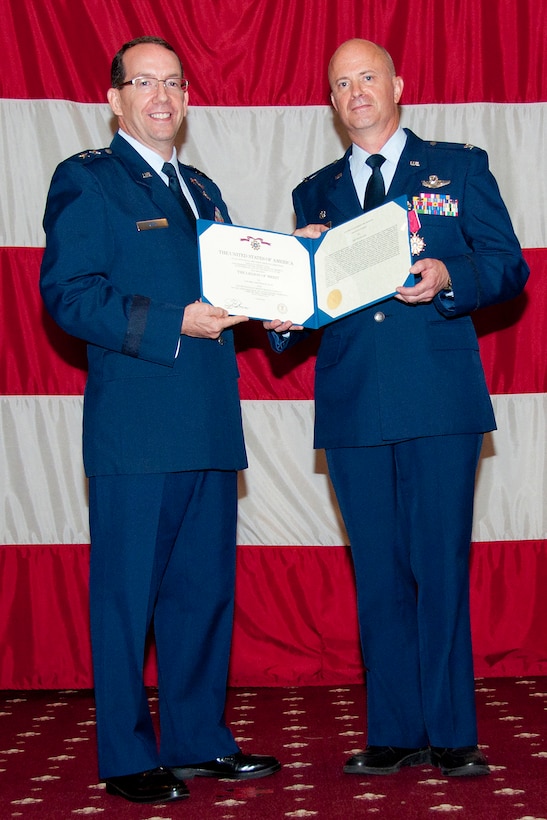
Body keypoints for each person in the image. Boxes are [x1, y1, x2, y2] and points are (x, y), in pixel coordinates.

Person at [266, 39, 529, 778]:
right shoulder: (313, 191)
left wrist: (450, 272)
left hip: (438, 400)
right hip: (352, 406)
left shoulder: (458, 166)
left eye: (367, 77)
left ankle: (451, 733)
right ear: (330, 101)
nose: (355, 91)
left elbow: (507, 265)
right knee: (376, 571)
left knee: (438, 567)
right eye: (340, 83)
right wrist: (286, 306)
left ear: (397, 86)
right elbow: (310, 306)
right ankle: (393, 729)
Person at [40, 36, 280, 804]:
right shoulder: (89, 182)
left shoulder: (203, 190)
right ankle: (125, 756)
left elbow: (240, 285)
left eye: (174, 82)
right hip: (137, 432)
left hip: (208, 421)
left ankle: (196, 738)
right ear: (114, 100)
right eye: (144, 82)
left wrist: (291, 289)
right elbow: (70, 295)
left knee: (202, 594)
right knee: (126, 597)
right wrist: (176, 321)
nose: (162, 96)